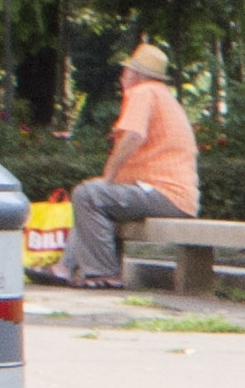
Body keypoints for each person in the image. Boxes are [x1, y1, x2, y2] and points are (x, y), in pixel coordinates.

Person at [53, 44, 198, 289]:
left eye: (126, 71)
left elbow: (133, 136)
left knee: (89, 194)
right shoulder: (161, 95)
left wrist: (108, 177)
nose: (122, 76)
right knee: (90, 197)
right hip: (170, 195)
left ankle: (103, 274)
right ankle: (63, 268)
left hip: (165, 195)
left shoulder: (143, 93)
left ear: (135, 75)